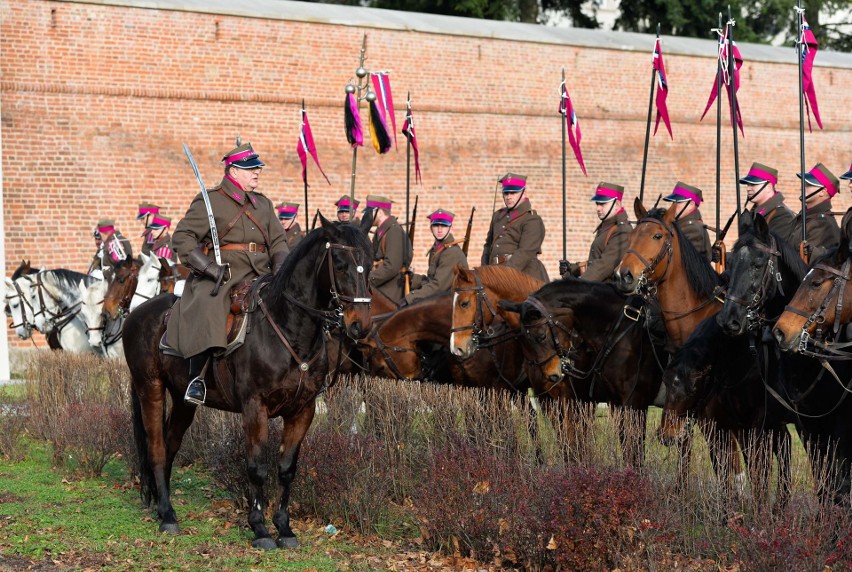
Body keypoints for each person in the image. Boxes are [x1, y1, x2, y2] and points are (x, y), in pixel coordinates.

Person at [166, 142, 288, 406]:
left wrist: (280, 271)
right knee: (211, 306)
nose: (257, 172)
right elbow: (183, 238)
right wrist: (209, 268)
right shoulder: (210, 201)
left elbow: (279, 242)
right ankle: (197, 377)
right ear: (233, 171)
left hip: (263, 273)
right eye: (250, 168)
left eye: (257, 168)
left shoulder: (263, 205)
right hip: (223, 274)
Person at [481, 173, 548, 282]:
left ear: (524, 193)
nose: (509, 197)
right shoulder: (498, 216)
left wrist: (506, 274)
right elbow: (488, 245)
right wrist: (484, 271)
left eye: (514, 192)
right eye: (506, 193)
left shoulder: (532, 220)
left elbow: (525, 252)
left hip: (524, 275)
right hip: (495, 272)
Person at [559, 182, 632, 282]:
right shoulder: (607, 226)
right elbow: (594, 262)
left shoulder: (622, 231)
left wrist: (578, 285)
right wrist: (572, 268)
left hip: (609, 292)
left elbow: (603, 266)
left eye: (603, 204)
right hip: (597, 288)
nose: (598, 208)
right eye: (597, 203)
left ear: (617, 204)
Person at [403, 208, 469, 305]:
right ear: (431, 228)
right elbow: (432, 281)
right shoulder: (437, 249)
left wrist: (410, 297)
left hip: (455, 306)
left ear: (451, 228)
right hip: (442, 300)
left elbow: (438, 286)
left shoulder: (451, 252)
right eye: (436, 225)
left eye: (444, 226)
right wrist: (413, 279)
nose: (439, 229)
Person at [791, 162, 841, 263]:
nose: (802, 187)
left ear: (823, 192)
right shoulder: (806, 216)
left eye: (809, 184)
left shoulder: (824, 224)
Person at [367, 195, 412, 303]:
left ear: (380, 212)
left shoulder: (393, 231)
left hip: (390, 292)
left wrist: (367, 279)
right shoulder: (381, 231)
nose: (367, 215)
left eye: (370, 212)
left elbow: (392, 266)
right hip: (381, 288)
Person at [739, 162, 796, 244]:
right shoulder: (753, 213)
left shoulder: (782, 216)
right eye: (748, 184)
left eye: (753, 184)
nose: (748, 188)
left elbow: (773, 252)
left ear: (769, 187)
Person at [662, 182, 712, 261]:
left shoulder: (692, 228)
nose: (673, 207)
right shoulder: (681, 224)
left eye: (678, 202)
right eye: (673, 202)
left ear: (691, 204)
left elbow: (685, 262)